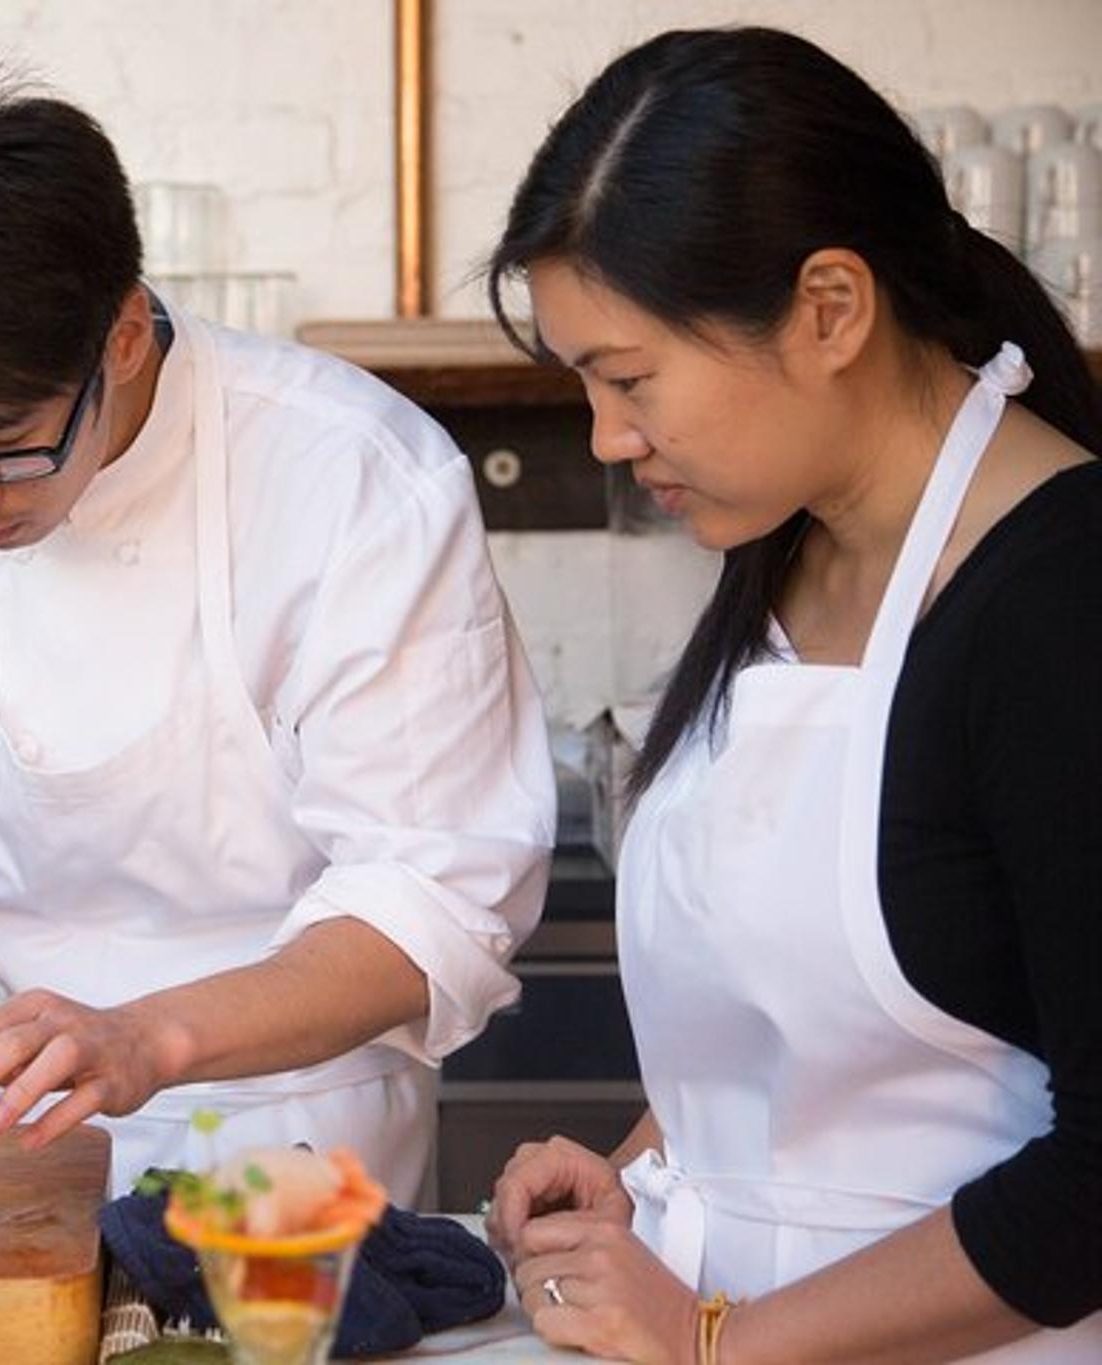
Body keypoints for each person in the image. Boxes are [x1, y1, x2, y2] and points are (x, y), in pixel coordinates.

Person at [0, 41, 555, 1199]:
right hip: (21, 1109)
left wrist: (146, 1037)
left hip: (301, 1133)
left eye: (1, 450)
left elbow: (432, 896)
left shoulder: (353, 474)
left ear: (122, 336)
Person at [480, 26, 1102, 1363]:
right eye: (584, 383)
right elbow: (813, 1042)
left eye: (631, 378)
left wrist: (718, 1333)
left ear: (831, 307)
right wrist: (662, 1170)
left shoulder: (1062, 605)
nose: (607, 436)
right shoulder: (788, 542)